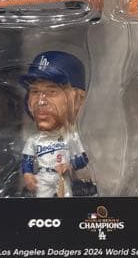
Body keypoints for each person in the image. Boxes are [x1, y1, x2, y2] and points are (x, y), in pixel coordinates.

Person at [20, 51, 93, 198]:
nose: (40, 102)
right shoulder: (34, 140)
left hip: (63, 177)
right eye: (35, 91)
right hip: (43, 177)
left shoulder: (72, 138)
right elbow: (27, 160)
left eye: (51, 91)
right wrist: (27, 174)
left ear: (78, 99)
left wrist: (70, 165)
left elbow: (83, 159)